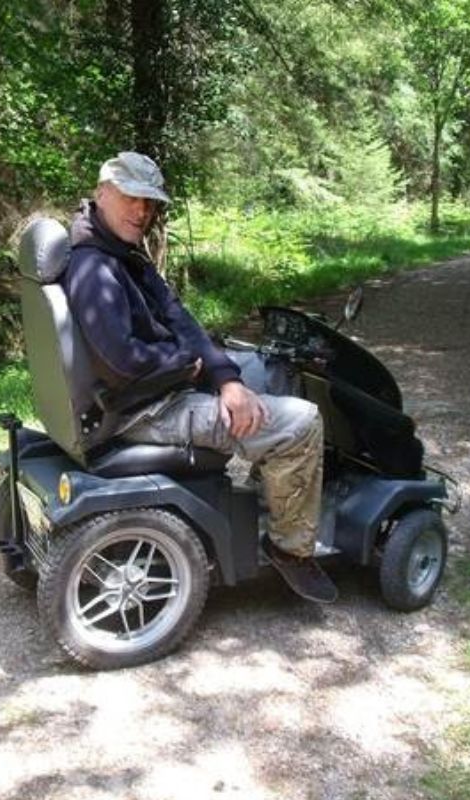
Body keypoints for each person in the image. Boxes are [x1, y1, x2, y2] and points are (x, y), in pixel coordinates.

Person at [62, 151, 337, 603]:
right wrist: (188, 365)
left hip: (156, 389)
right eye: (132, 198)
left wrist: (227, 379)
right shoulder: (95, 268)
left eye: (150, 204)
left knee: (267, 369)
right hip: (145, 409)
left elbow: (178, 316)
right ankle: (290, 547)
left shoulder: (123, 254)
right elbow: (123, 360)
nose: (142, 211)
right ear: (102, 193)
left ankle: (271, 483)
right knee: (303, 421)